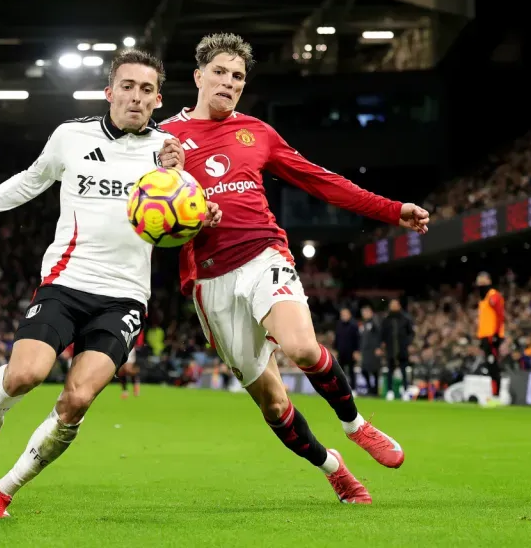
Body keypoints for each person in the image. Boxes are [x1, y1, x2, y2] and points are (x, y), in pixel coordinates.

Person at [0, 49, 219, 518]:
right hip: (66, 281)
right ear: (109, 92)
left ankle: (4, 488)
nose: (136, 97)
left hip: (124, 297)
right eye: (127, 86)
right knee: (24, 375)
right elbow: (28, 182)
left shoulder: (169, 154)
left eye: (147, 90)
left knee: (77, 398)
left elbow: (187, 216)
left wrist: (203, 211)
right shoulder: (71, 136)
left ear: (158, 99)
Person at [161, 33, 429, 504]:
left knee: (303, 348)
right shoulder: (164, 140)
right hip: (208, 279)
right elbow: (149, 219)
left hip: (263, 253)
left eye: (238, 77)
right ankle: (333, 468)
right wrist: (185, 208)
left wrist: (392, 210)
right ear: (198, 76)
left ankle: (356, 425)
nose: (229, 83)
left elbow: (322, 182)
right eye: (220, 72)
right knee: (275, 403)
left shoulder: (257, 133)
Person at [475, 272, 505, 398]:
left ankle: (496, 395)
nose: (481, 280)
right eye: (479, 278)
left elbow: (499, 315)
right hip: (485, 336)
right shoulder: (483, 298)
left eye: (484, 278)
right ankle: (494, 394)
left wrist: (497, 334)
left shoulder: (493, 295)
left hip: (492, 336)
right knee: (489, 365)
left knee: (493, 365)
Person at [381, 299, 414, 400]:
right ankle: (390, 391)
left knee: (404, 371)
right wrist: (382, 344)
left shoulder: (406, 318)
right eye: (392, 305)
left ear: (399, 306)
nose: (394, 306)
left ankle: (405, 391)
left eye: (395, 305)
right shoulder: (386, 319)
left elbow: (411, 333)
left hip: (402, 349)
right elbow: (383, 334)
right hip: (390, 349)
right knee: (390, 370)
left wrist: (409, 344)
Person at [333, 307, 360, 392]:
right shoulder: (339, 325)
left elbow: (357, 339)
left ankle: (354, 388)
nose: (344, 316)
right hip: (341, 351)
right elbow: (336, 339)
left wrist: (356, 351)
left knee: (351, 371)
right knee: (341, 372)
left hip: (351, 352)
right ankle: (342, 389)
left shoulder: (354, 326)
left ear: (349, 315)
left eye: (345, 314)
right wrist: (335, 349)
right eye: (342, 314)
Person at [359, 305, 382, 397]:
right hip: (365, 351)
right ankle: (370, 388)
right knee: (364, 370)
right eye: (363, 313)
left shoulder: (375, 322)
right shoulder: (364, 324)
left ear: (371, 312)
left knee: (375, 370)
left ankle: (375, 391)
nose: (364, 314)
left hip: (374, 350)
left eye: (366, 312)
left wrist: (379, 347)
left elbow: (379, 334)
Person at [118, 333, 143, 398]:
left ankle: (136, 383)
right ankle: (125, 391)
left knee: (128, 369)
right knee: (121, 372)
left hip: (130, 348)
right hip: (121, 348)